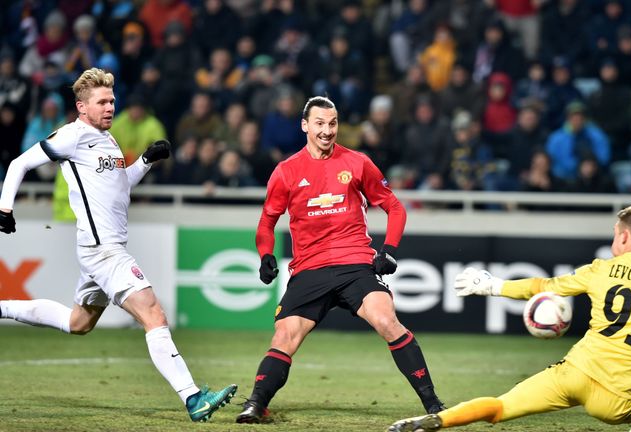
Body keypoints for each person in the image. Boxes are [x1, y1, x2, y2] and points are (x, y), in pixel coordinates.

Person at [0, 68, 236, 422]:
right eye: (102, 102)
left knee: (79, 322)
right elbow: (19, 163)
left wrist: (145, 161)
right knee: (154, 315)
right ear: (82, 107)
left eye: (112, 100)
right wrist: (4, 209)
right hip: (104, 250)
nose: (111, 107)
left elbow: (119, 186)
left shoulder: (107, 138)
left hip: (99, 249)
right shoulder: (72, 136)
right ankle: (193, 398)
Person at [388, 205, 631, 432]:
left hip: (570, 374)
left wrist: (493, 286)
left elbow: (545, 286)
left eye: (614, 236)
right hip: (617, 399)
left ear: (623, 235)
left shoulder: (601, 270)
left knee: (499, 407)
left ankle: (435, 422)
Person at [236, 96, 444, 423]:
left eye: (332, 123)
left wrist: (388, 249)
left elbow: (394, 206)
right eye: (319, 123)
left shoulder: (357, 163)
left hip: (355, 264)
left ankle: (433, 404)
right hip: (309, 269)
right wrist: (266, 255)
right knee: (284, 336)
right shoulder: (286, 171)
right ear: (305, 125)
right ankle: (256, 404)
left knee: (386, 321)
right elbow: (266, 222)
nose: (327, 130)